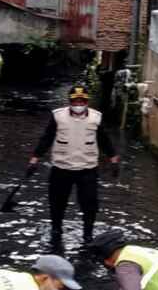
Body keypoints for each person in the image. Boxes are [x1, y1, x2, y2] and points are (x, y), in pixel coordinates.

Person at [28, 85, 120, 244]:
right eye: (75, 101)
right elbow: (47, 138)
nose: (78, 104)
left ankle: (88, 234)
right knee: (57, 201)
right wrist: (35, 159)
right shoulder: (58, 116)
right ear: (70, 101)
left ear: (87, 101)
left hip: (87, 168)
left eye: (82, 101)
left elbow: (104, 140)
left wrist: (113, 159)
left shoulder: (96, 118)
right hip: (61, 167)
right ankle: (56, 229)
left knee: (90, 203)